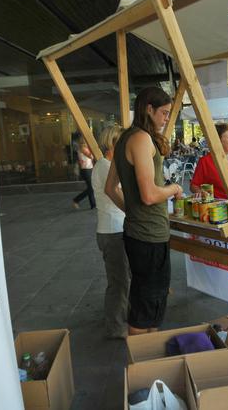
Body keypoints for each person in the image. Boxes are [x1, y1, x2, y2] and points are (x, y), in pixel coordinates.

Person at [105, 87, 183, 336]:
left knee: (147, 299)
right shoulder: (140, 139)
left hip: (140, 232)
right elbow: (149, 194)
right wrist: (174, 188)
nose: (165, 119)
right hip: (149, 235)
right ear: (148, 109)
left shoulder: (125, 139)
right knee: (146, 304)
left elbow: (110, 188)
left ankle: (147, 362)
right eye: (163, 113)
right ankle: (142, 365)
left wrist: (132, 211)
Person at [91, 125, 129, 339]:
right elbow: (119, 193)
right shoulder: (106, 166)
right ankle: (115, 326)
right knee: (119, 281)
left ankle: (120, 317)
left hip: (115, 228)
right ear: (112, 143)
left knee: (123, 278)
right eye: (122, 142)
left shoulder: (109, 165)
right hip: (112, 230)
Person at [189, 123, 228, 200]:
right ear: (218, 140)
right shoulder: (205, 161)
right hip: (218, 209)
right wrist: (200, 192)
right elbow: (194, 186)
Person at [72, 136, 95, 209]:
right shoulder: (83, 148)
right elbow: (91, 156)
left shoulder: (83, 148)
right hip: (86, 170)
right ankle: (76, 200)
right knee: (91, 188)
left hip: (88, 169)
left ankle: (93, 205)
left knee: (90, 188)